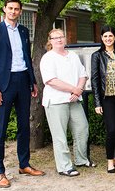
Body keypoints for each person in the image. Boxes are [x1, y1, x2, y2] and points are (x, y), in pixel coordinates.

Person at [0, 0, 45, 188]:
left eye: (16, 9)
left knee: (23, 126)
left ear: (20, 11)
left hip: (23, 82)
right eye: (10, 8)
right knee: (0, 129)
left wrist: (32, 82)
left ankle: (24, 164)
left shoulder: (23, 31)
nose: (13, 11)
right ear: (4, 9)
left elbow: (27, 58)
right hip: (4, 84)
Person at [40, 28, 95, 177]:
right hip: (56, 101)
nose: (59, 40)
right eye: (55, 38)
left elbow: (83, 75)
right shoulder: (48, 58)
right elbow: (51, 81)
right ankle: (65, 166)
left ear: (65, 39)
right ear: (50, 41)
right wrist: (74, 89)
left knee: (82, 128)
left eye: (61, 37)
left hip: (74, 99)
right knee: (60, 135)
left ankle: (81, 159)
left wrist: (78, 89)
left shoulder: (73, 56)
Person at [91, 25, 115, 173]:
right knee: (112, 130)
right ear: (101, 38)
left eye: (110, 36)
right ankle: (109, 162)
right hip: (107, 98)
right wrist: (97, 102)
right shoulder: (97, 56)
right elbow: (95, 79)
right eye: (105, 36)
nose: (108, 39)